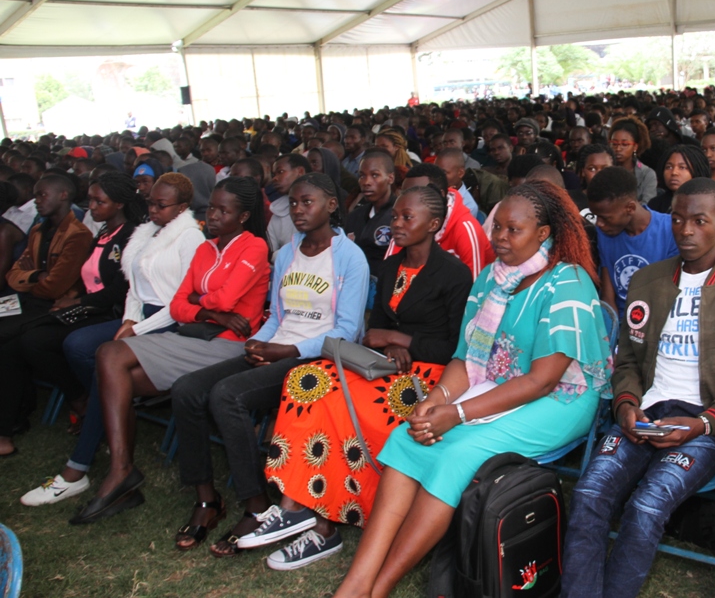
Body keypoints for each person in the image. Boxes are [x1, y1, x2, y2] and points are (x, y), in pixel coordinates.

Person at [331, 180, 611, 598]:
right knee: (408, 438)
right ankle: (357, 582)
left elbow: (542, 380)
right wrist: (436, 401)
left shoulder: (566, 283)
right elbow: (465, 359)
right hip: (496, 386)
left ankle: (380, 587)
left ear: (543, 233)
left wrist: (458, 413)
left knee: (456, 455)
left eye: (513, 230)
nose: (499, 237)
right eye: (497, 226)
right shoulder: (490, 279)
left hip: (560, 399)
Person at [561, 178, 715, 598]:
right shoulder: (648, 281)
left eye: (700, 221)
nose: (685, 230)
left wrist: (705, 423)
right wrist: (625, 405)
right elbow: (628, 360)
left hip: (709, 422)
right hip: (645, 413)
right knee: (590, 493)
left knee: (647, 505)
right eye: (679, 219)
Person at [234, 184, 472, 569]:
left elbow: (453, 347)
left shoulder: (455, 274)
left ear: (433, 224)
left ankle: (325, 520)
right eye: (395, 216)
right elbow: (374, 330)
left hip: (430, 377)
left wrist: (401, 340)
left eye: (406, 217)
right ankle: (299, 506)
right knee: (307, 380)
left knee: (346, 407)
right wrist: (388, 344)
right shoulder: (390, 267)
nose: (396, 224)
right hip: (384, 365)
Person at [170, 173, 369, 556]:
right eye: (293, 202)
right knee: (187, 389)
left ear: (331, 205)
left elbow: (346, 330)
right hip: (278, 347)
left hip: (316, 360)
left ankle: (255, 504)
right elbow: (278, 315)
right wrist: (259, 342)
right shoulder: (287, 253)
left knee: (227, 395)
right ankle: (207, 499)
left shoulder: (349, 257)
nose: (297, 210)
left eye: (307, 202)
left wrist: (287, 351)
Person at [70, 177, 270, 524]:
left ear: (243, 216)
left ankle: (122, 473)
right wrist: (208, 311)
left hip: (229, 345)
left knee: (111, 362)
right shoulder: (206, 249)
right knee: (112, 363)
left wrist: (199, 300)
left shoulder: (254, 247)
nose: (214, 216)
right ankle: (121, 470)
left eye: (224, 211)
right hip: (194, 336)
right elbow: (178, 306)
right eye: (212, 208)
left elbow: (225, 299)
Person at [20, 174, 206, 506]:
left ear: (182, 207)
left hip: (168, 322)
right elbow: (134, 285)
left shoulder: (190, 237)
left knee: (105, 369)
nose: (152, 210)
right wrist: (130, 319)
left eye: (161, 205)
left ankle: (77, 468)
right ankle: (113, 412)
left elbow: (182, 301)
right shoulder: (147, 231)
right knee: (80, 347)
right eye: (150, 203)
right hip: (139, 316)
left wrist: (140, 328)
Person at [0, 173, 145, 459]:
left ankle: (79, 397)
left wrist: (77, 301)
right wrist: (68, 295)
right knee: (13, 343)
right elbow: (79, 277)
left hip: (108, 312)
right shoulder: (102, 233)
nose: (91, 207)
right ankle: (10, 426)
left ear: (118, 204)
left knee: (33, 340)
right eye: (90, 200)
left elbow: (119, 290)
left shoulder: (129, 237)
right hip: (84, 304)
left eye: (99, 201)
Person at [1, 174, 93, 343]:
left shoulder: (78, 234)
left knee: (6, 332)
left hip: (52, 304)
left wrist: (28, 279)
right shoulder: (37, 231)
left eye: (42, 195)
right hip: (25, 299)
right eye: (35, 196)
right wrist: (37, 275)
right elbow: (12, 275)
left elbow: (54, 288)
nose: (36, 201)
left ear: (63, 195)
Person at [588, 166, 678, 318]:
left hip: (657, 321)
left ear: (629, 208)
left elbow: (669, 295)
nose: (599, 224)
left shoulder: (669, 230)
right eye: (596, 216)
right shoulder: (605, 234)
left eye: (605, 218)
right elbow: (608, 298)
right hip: (621, 324)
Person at [387, 163, 494, 278]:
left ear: (440, 194)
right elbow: (388, 275)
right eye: (404, 194)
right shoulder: (404, 227)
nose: (407, 201)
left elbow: (473, 283)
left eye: (418, 194)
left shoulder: (465, 228)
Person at [344, 149, 396, 279]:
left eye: (375, 175)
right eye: (362, 176)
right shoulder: (355, 216)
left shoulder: (399, 216)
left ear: (390, 178)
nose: (366, 182)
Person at [648, 144, 711, 214]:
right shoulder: (655, 204)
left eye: (682, 167)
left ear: (697, 171)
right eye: (669, 167)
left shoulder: (709, 203)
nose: (674, 172)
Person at [608, 117, 657, 204]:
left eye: (624, 144)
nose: (618, 149)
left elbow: (647, 205)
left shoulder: (647, 174)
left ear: (635, 147)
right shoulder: (605, 169)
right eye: (614, 144)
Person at [268, 154, 309, 254]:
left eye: (280, 172)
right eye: (273, 175)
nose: (275, 178)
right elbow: (271, 253)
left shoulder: (320, 209)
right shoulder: (277, 212)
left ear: (300, 172)